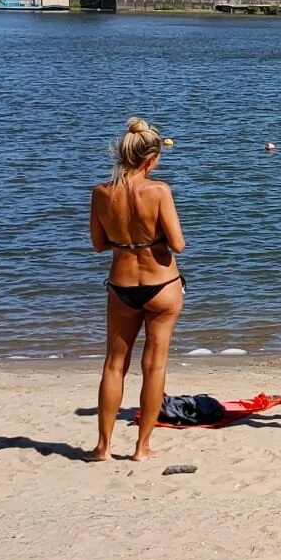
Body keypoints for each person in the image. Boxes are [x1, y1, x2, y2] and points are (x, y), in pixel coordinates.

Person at [89, 117, 186, 461]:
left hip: (122, 284)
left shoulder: (101, 193)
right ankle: (142, 448)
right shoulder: (158, 190)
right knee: (154, 365)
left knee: (114, 364)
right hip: (162, 283)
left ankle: (103, 447)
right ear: (150, 159)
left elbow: (99, 244)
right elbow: (178, 243)